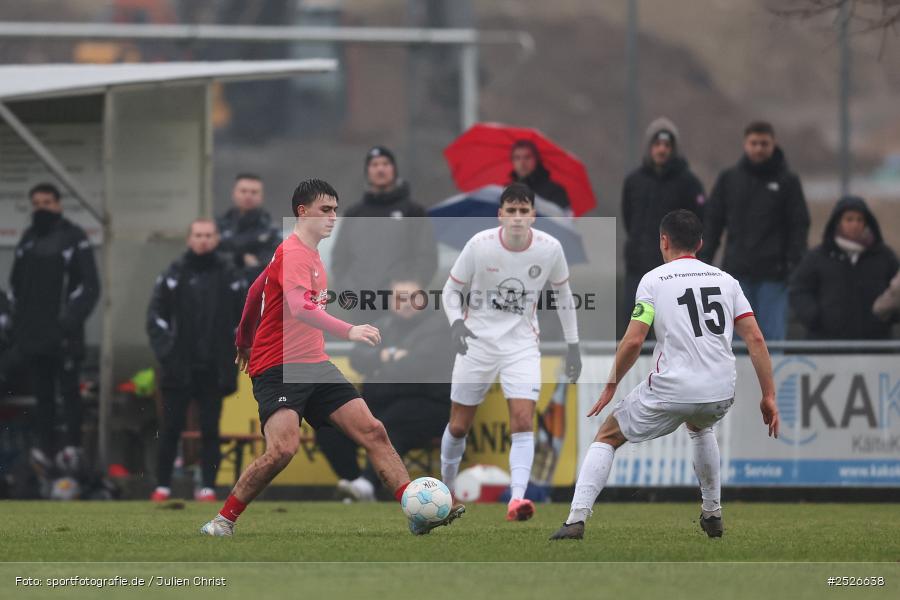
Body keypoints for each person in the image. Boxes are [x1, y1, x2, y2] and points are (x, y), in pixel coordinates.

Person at [200, 178, 464, 537]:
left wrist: (243, 339)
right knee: (283, 449)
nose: (333, 217)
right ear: (302, 211)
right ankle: (222, 521)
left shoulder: (307, 255)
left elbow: (255, 289)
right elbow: (299, 307)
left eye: (336, 210)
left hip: (314, 364)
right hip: (279, 367)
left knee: (374, 431)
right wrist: (348, 330)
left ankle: (417, 513)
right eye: (325, 210)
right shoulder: (293, 253)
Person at [550, 210, 779, 541]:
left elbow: (634, 340)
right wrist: (768, 395)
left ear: (664, 240)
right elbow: (755, 338)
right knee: (701, 426)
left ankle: (575, 520)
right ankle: (712, 513)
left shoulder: (653, 280)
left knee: (607, 436)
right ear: (700, 243)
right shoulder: (726, 281)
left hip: (674, 387)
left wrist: (611, 384)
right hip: (720, 390)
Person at [440, 182, 582, 522]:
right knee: (459, 425)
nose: (517, 217)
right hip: (476, 342)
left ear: (533, 215)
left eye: (523, 211)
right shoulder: (479, 245)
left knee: (522, 419)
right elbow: (450, 290)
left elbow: (564, 298)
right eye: (511, 211)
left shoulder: (550, 248)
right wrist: (456, 324)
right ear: (500, 215)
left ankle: (517, 499)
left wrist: (573, 346)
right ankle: (446, 491)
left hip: (521, 345)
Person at [317, 278, 452, 501]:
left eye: (413, 298)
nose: (406, 303)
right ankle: (357, 484)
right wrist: (387, 355)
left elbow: (415, 368)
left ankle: (367, 484)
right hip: (383, 402)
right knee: (329, 426)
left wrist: (381, 367)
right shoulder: (383, 325)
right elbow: (357, 357)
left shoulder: (438, 327)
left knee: (387, 425)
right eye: (400, 298)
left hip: (429, 406)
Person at [146, 219, 245, 502]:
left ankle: (208, 488)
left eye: (208, 235)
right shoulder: (173, 273)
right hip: (179, 366)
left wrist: (231, 352)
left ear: (217, 239)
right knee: (171, 428)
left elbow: (245, 317)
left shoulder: (230, 275)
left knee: (211, 429)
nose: (203, 240)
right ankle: (162, 487)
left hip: (213, 367)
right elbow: (155, 317)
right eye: (198, 235)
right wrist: (168, 354)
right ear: (189, 239)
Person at [10, 183, 100, 457]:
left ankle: (72, 449)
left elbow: (89, 286)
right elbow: (15, 285)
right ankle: (45, 450)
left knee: (70, 392)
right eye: (36, 204)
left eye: (47, 203)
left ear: (58, 204)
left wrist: (67, 322)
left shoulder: (73, 237)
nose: (42, 209)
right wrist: (20, 325)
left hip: (64, 336)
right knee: (43, 395)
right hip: (34, 336)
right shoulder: (28, 239)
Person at [699, 121, 810, 341]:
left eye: (764, 143)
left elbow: (799, 225)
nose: (759, 148)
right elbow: (713, 223)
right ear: (745, 144)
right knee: (736, 340)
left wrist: (793, 265)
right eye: (754, 143)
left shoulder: (788, 182)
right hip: (736, 274)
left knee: (771, 340)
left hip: (774, 277)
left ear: (773, 144)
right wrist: (704, 262)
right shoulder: (729, 179)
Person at [621, 117, 705, 329]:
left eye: (667, 145)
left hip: (674, 269)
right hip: (638, 267)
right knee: (636, 325)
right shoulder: (634, 182)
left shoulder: (689, 182)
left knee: (672, 325)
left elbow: (700, 221)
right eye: (657, 144)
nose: (662, 150)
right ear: (650, 147)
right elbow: (628, 218)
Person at [330, 146, 438, 298]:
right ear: (368, 171)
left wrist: (414, 284)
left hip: (401, 302)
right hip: (362, 302)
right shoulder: (354, 213)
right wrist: (347, 289)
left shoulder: (413, 211)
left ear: (394, 169)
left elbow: (427, 255)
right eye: (374, 165)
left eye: (385, 164)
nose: (380, 169)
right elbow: (340, 258)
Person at [789, 196, 898, 340]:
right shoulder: (818, 257)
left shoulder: (884, 256)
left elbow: (896, 290)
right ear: (838, 222)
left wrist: (889, 315)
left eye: (859, 220)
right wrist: (813, 316)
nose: (855, 224)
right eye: (849, 219)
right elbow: (799, 289)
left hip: (875, 344)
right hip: (826, 344)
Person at [216, 173, 280, 283]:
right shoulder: (219, 226)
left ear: (261, 197)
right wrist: (240, 258)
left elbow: (273, 262)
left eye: (254, 192)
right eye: (243, 191)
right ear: (234, 194)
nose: (248, 196)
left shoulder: (271, 229)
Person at [509, 139, 571, 214]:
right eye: (517, 158)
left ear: (536, 160)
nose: (522, 162)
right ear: (512, 161)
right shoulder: (506, 191)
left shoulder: (555, 191)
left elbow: (563, 218)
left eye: (527, 157)